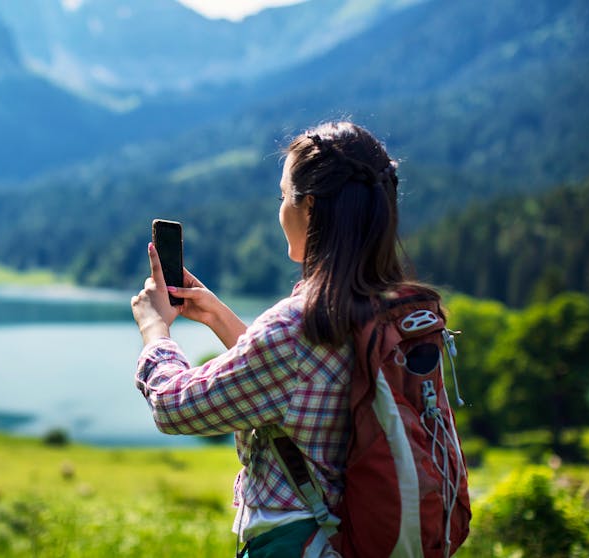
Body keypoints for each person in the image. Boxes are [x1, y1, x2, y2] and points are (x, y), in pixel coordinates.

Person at [130, 121, 444, 557]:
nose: (280, 210)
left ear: (309, 207)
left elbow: (174, 408)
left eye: (283, 197)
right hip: (355, 538)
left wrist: (154, 331)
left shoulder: (300, 325)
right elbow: (296, 387)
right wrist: (220, 317)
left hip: (298, 542)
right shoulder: (392, 311)